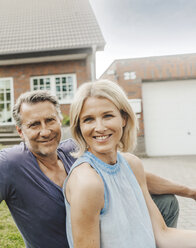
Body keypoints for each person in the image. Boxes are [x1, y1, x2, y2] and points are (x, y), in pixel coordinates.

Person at [0, 90, 196, 248]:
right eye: (34, 125)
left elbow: (129, 173)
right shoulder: (7, 166)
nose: (45, 131)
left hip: (101, 233)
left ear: (61, 121)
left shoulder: (70, 149)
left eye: (50, 120)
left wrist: (188, 190)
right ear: (20, 131)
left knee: (166, 202)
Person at [64, 80, 196, 248]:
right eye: (88, 119)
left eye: (108, 116)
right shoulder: (87, 182)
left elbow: (163, 235)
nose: (99, 127)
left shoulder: (132, 164)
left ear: (124, 119)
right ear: (79, 127)